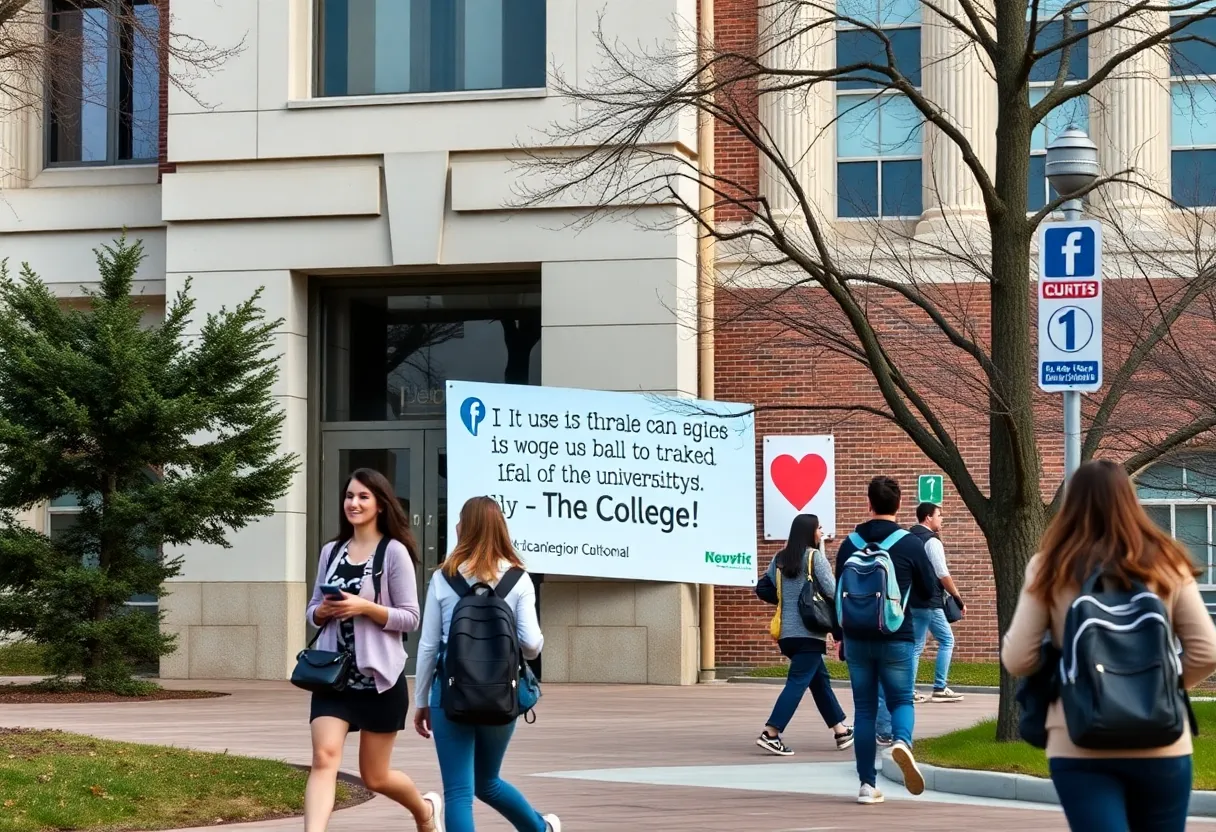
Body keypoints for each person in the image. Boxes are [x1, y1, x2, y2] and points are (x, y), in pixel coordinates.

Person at [1002, 459, 1216, 831]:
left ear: (1072, 506)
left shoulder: (1051, 566)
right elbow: (1207, 651)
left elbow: (1019, 657)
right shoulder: (1168, 563)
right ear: (1131, 501)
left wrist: (1073, 676)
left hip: (1079, 739)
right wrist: (1153, 686)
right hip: (1162, 740)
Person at [304, 468, 442, 832]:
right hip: (333, 678)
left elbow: (410, 617)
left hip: (379, 679)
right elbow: (312, 610)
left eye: (363, 497)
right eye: (349, 496)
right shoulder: (331, 551)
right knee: (323, 758)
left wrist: (364, 607)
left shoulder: (393, 552)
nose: (354, 503)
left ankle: (425, 810)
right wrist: (322, 611)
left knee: (375, 776)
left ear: (380, 504)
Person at [414, 496, 561, 832]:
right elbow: (532, 646)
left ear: (464, 528)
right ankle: (540, 830)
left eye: (459, 520)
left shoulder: (444, 578)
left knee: (458, 792)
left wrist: (421, 700)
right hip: (502, 693)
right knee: (487, 781)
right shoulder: (518, 579)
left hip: (450, 693)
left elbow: (428, 645)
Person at [835, 476, 939, 805]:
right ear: (899, 504)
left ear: (868, 503)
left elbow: (837, 594)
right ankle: (902, 742)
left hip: (856, 638)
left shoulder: (849, 543)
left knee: (864, 710)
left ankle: (867, 785)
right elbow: (928, 590)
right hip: (897, 635)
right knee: (901, 700)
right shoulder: (910, 544)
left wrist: (839, 636)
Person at [756, 514, 855, 756]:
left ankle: (841, 731)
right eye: (819, 528)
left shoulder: (779, 558)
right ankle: (771, 733)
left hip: (786, 634)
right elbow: (832, 591)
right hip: (809, 632)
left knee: (820, 682)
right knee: (797, 682)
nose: (821, 532)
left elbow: (765, 587)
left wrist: (788, 598)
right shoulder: (814, 557)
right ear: (809, 531)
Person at [908, 502, 965, 703]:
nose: (941, 519)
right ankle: (939, 688)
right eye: (939, 515)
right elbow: (942, 573)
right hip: (929, 601)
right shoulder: (932, 541)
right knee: (947, 640)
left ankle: (908, 691)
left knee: (915, 645)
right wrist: (958, 598)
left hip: (912, 599)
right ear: (928, 517)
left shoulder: (908, 537)